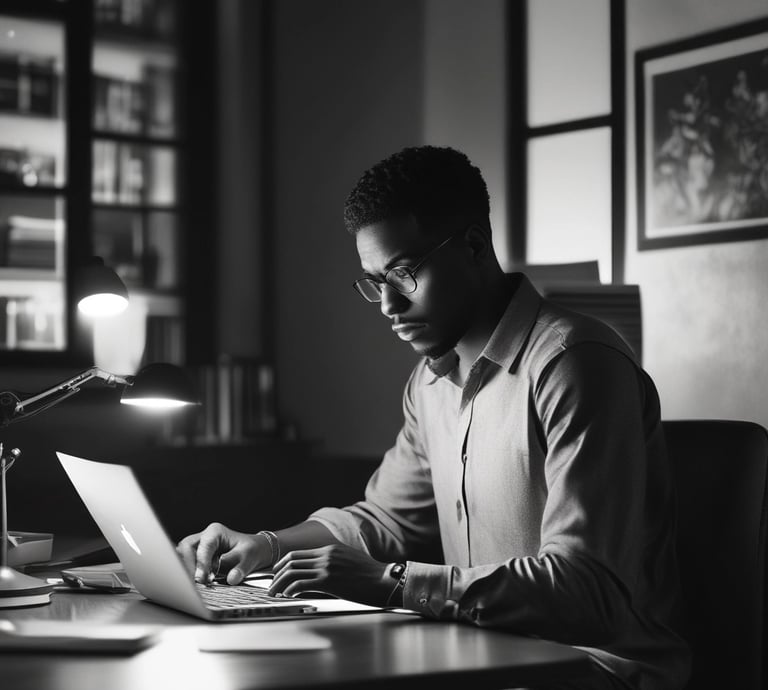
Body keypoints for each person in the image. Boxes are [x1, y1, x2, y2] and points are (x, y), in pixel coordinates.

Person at [177, 145, 691, 690]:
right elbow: (383, 522)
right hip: (484, 656)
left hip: (596, 670)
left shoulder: (575, 364)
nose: (387, 305)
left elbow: (588, 591)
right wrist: (266, 546)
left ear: (473, 246)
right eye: (374, 281)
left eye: (402, 273)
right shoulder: (429, 383)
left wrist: (395, 583)